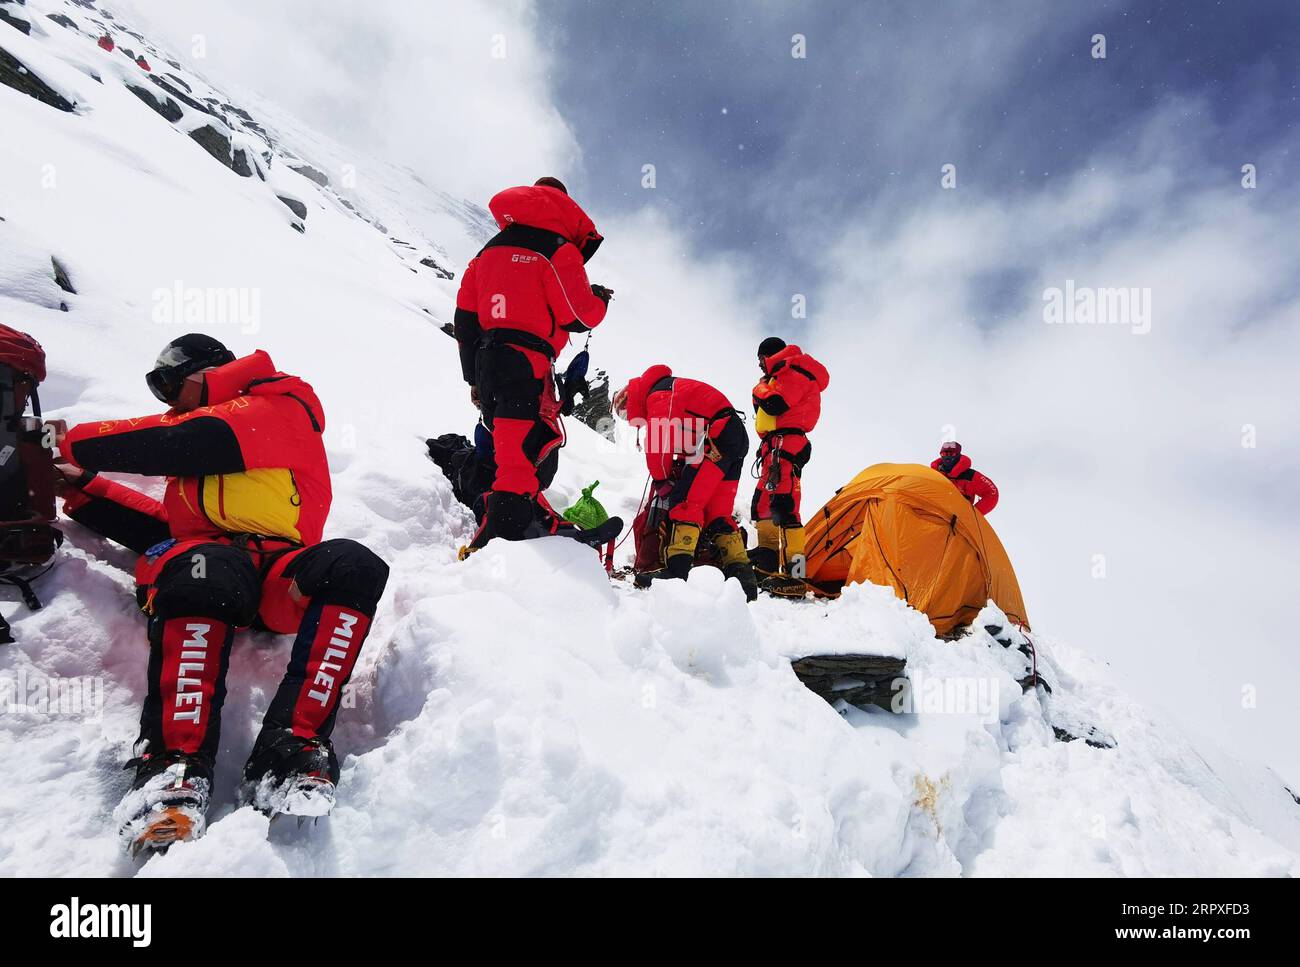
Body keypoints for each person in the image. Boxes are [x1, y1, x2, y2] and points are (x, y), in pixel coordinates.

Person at [56, 334, 389, 854]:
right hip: (209, 573)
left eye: (167, 384)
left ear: (201, 373)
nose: (166, 401)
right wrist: (83, 489)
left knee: (353, 565)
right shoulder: (209, 449)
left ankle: (293, 745)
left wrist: (65, 441)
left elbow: (184, 438)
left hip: (279, 574)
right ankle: (176, 766)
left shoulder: (279, 407)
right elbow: (167, 526)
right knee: (206, 560)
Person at [453, 176, 612, 549]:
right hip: (527, 361)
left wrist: (472, 376)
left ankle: (517, 517)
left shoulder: (487, 251)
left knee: (508, 448)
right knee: (521, 453)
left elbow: (464, 318)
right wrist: (600, 299)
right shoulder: (557, 249)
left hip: (487, 359)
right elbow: (579, 315)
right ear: (563, 206)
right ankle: (508, 537)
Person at [612, 364, 758, 601]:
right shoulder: (671, 390)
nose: (631, 420)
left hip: (717, 436)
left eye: (626, 413)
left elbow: (658, 449)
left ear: (629, 399)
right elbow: (687, 434)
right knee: (717, 513)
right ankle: (744, 581)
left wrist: (661, 480)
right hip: (733, 438)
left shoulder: (658, 395)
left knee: (686, 501)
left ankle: (676, 572)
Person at [749, 337, 829, 581]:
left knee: (785, 507)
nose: (760, 366)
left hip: (787, 444)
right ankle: (768, 566)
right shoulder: (777, 377)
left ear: (769, 355)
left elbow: (775, 404)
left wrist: (758, 389)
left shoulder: (795, 370)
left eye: (761, 359)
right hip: (773, 446)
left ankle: (796, 576)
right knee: (763, 505)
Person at [931, 441, 999, 515]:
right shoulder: (935, 473)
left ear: (958, 456)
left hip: (958, 519)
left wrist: (974, 514)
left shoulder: (970, 476)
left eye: (951, 454)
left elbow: (992, 492)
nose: (947, 457)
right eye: (944, 454)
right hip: (935, 514)